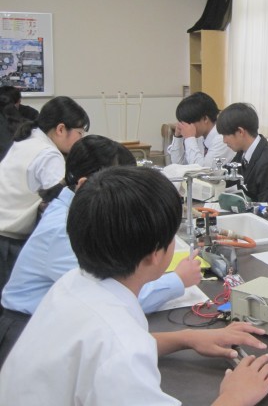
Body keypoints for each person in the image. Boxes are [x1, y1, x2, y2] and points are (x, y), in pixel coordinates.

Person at [0, 166, 268, 404]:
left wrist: (187, 338)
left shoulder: (73, 284)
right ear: (155, 254)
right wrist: (234, 397)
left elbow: (102, 349)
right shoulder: (121, 351)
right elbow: (118, 350)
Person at [0, 135, 203, 367]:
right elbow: (113, 295)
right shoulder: (64, 230)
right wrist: (177, 280)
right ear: (87, 184)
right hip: (23, 330)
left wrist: (187, 338)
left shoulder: (75, 215)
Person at [0, 96, 89, 297]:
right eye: (79, 133)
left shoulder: (27, 139)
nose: (81, 139)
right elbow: (60, 202)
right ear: (61, 129)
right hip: (7, 240)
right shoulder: (49, 154)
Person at [216, 102, 268, 222]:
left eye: (225, 135)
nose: (224, 141)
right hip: (249, 218)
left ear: (240, 132)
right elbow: (227, 180)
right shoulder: (243, 152)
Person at [167, 92, 233, 167]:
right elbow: (178, 165)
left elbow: (202, 170)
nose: (186, 127)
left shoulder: (222, 138)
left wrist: (189, 138)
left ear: (205, 119)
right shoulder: (199, 136)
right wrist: (178, 137)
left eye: (189, 122)